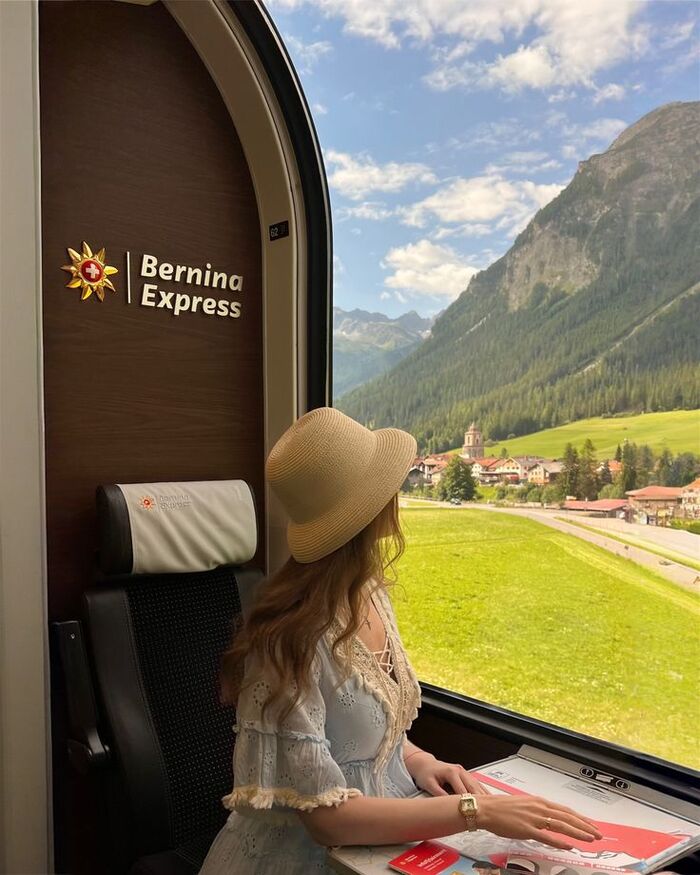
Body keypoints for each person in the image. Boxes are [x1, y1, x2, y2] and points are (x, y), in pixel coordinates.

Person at [198, 408, 602, 875]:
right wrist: (476, 812)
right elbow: (328, 821)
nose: (399, 491)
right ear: (367, 508)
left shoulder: (369, 592)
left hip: (383, 841)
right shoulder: (288, 643)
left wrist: (420, 760)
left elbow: (363, 734)